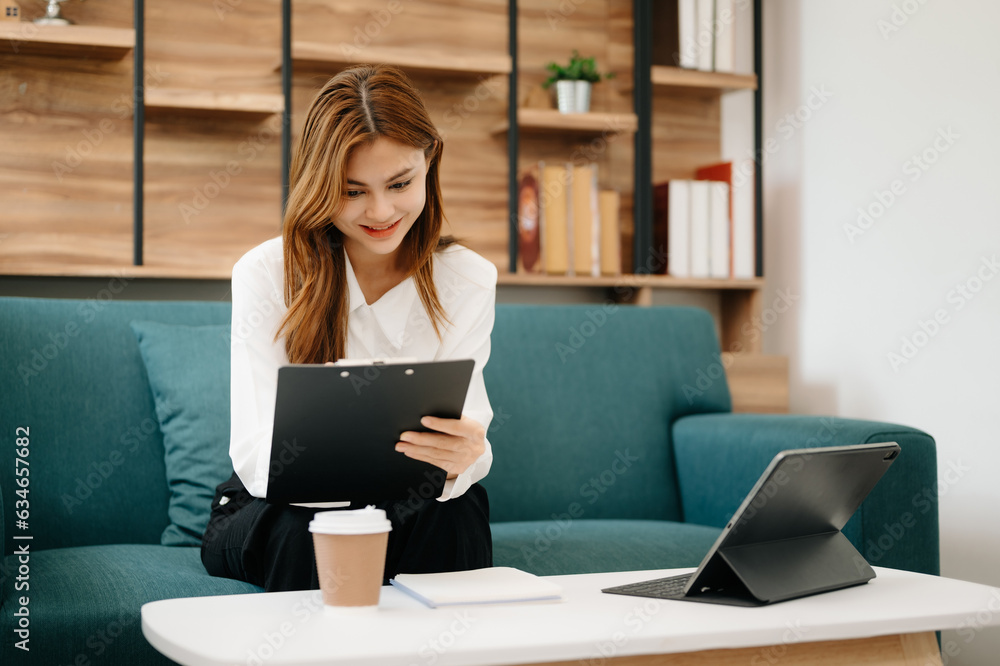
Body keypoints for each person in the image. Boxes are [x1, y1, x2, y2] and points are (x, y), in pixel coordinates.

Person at [201, 65, 496, 592]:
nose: (381, 211)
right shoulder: (268, 274)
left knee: (454, 516)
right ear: (318, 184)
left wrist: (464, 459)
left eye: (400, 183)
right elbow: (255, 455)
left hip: (419, 502)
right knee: (310, 532)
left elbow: (469, 431)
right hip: (279, 505)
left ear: (430, 161)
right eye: (352, 190)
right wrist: (359, 507)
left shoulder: (468, 278)